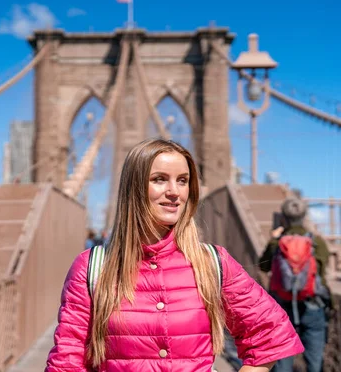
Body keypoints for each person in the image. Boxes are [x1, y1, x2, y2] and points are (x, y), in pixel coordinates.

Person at [46, 138, 303, 371]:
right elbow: (67, 360)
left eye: (182, 180)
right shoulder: (92, 267)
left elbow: (270, 332)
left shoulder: (212, 263)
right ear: (133, 188)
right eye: (159, 179)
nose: (175, 192)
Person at [259, 198, 331, 372]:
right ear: (304, 216)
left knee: (282, 364)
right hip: (312, 306)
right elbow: (322, 269)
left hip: (281, 308)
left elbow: (262, 265)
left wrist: (273, 240)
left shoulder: (277, 243)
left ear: (283, 218)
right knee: (315, 363)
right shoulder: (316, 242)